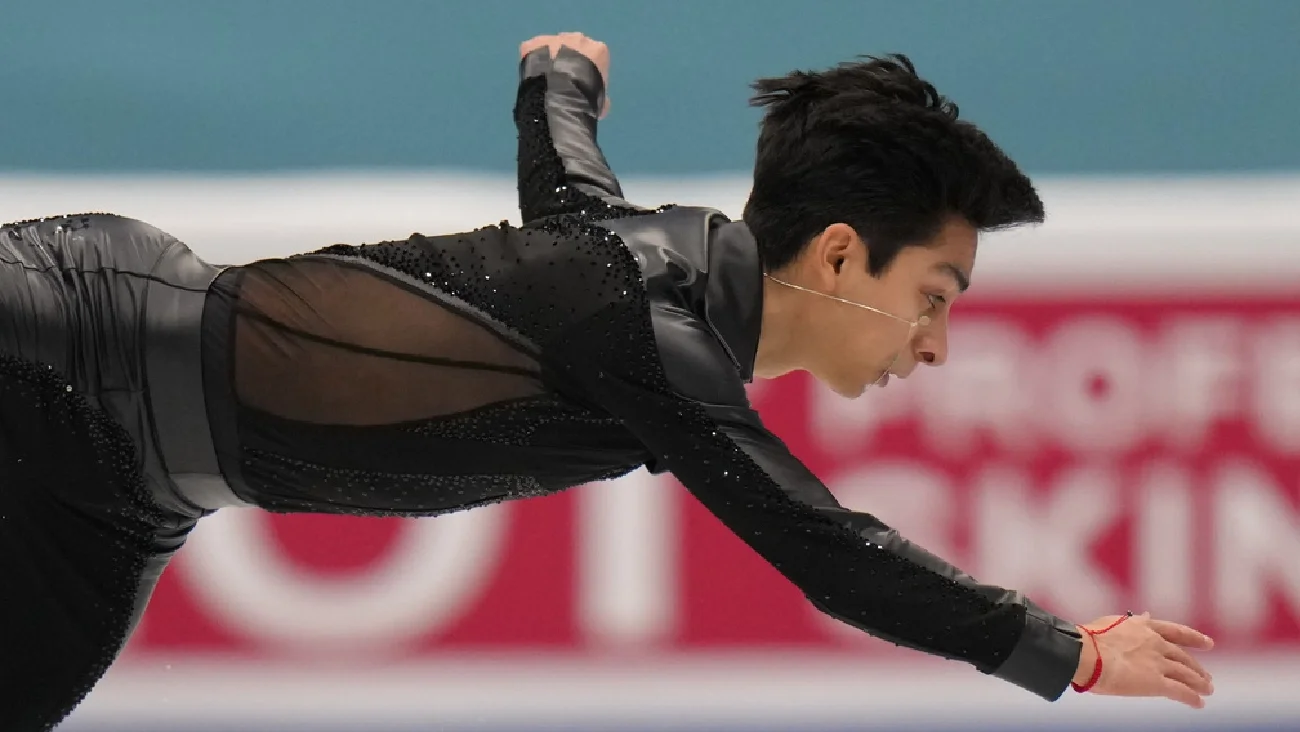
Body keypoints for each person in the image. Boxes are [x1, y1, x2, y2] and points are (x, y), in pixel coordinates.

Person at [0, 32, 1213, 732]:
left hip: (121, 502)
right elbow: (826, 549)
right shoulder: (653, 334)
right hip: (71, 330)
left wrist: (557, 79)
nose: (935, 343)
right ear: (842, 256)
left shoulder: (636, 272)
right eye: (936, 296)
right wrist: (1061, 651)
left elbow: (564, 176)